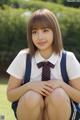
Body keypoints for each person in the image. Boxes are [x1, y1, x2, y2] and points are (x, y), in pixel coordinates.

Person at [6, 9, 80, 120]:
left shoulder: (68, 58)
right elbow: (10, 95)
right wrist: (30, 86)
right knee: (31, 96)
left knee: (58, 94)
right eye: (34, 32)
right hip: (29, 111)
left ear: (55, 31)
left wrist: (60, 84)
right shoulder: (23, 57)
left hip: (62, 112)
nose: (39, 37)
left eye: (45, 30)